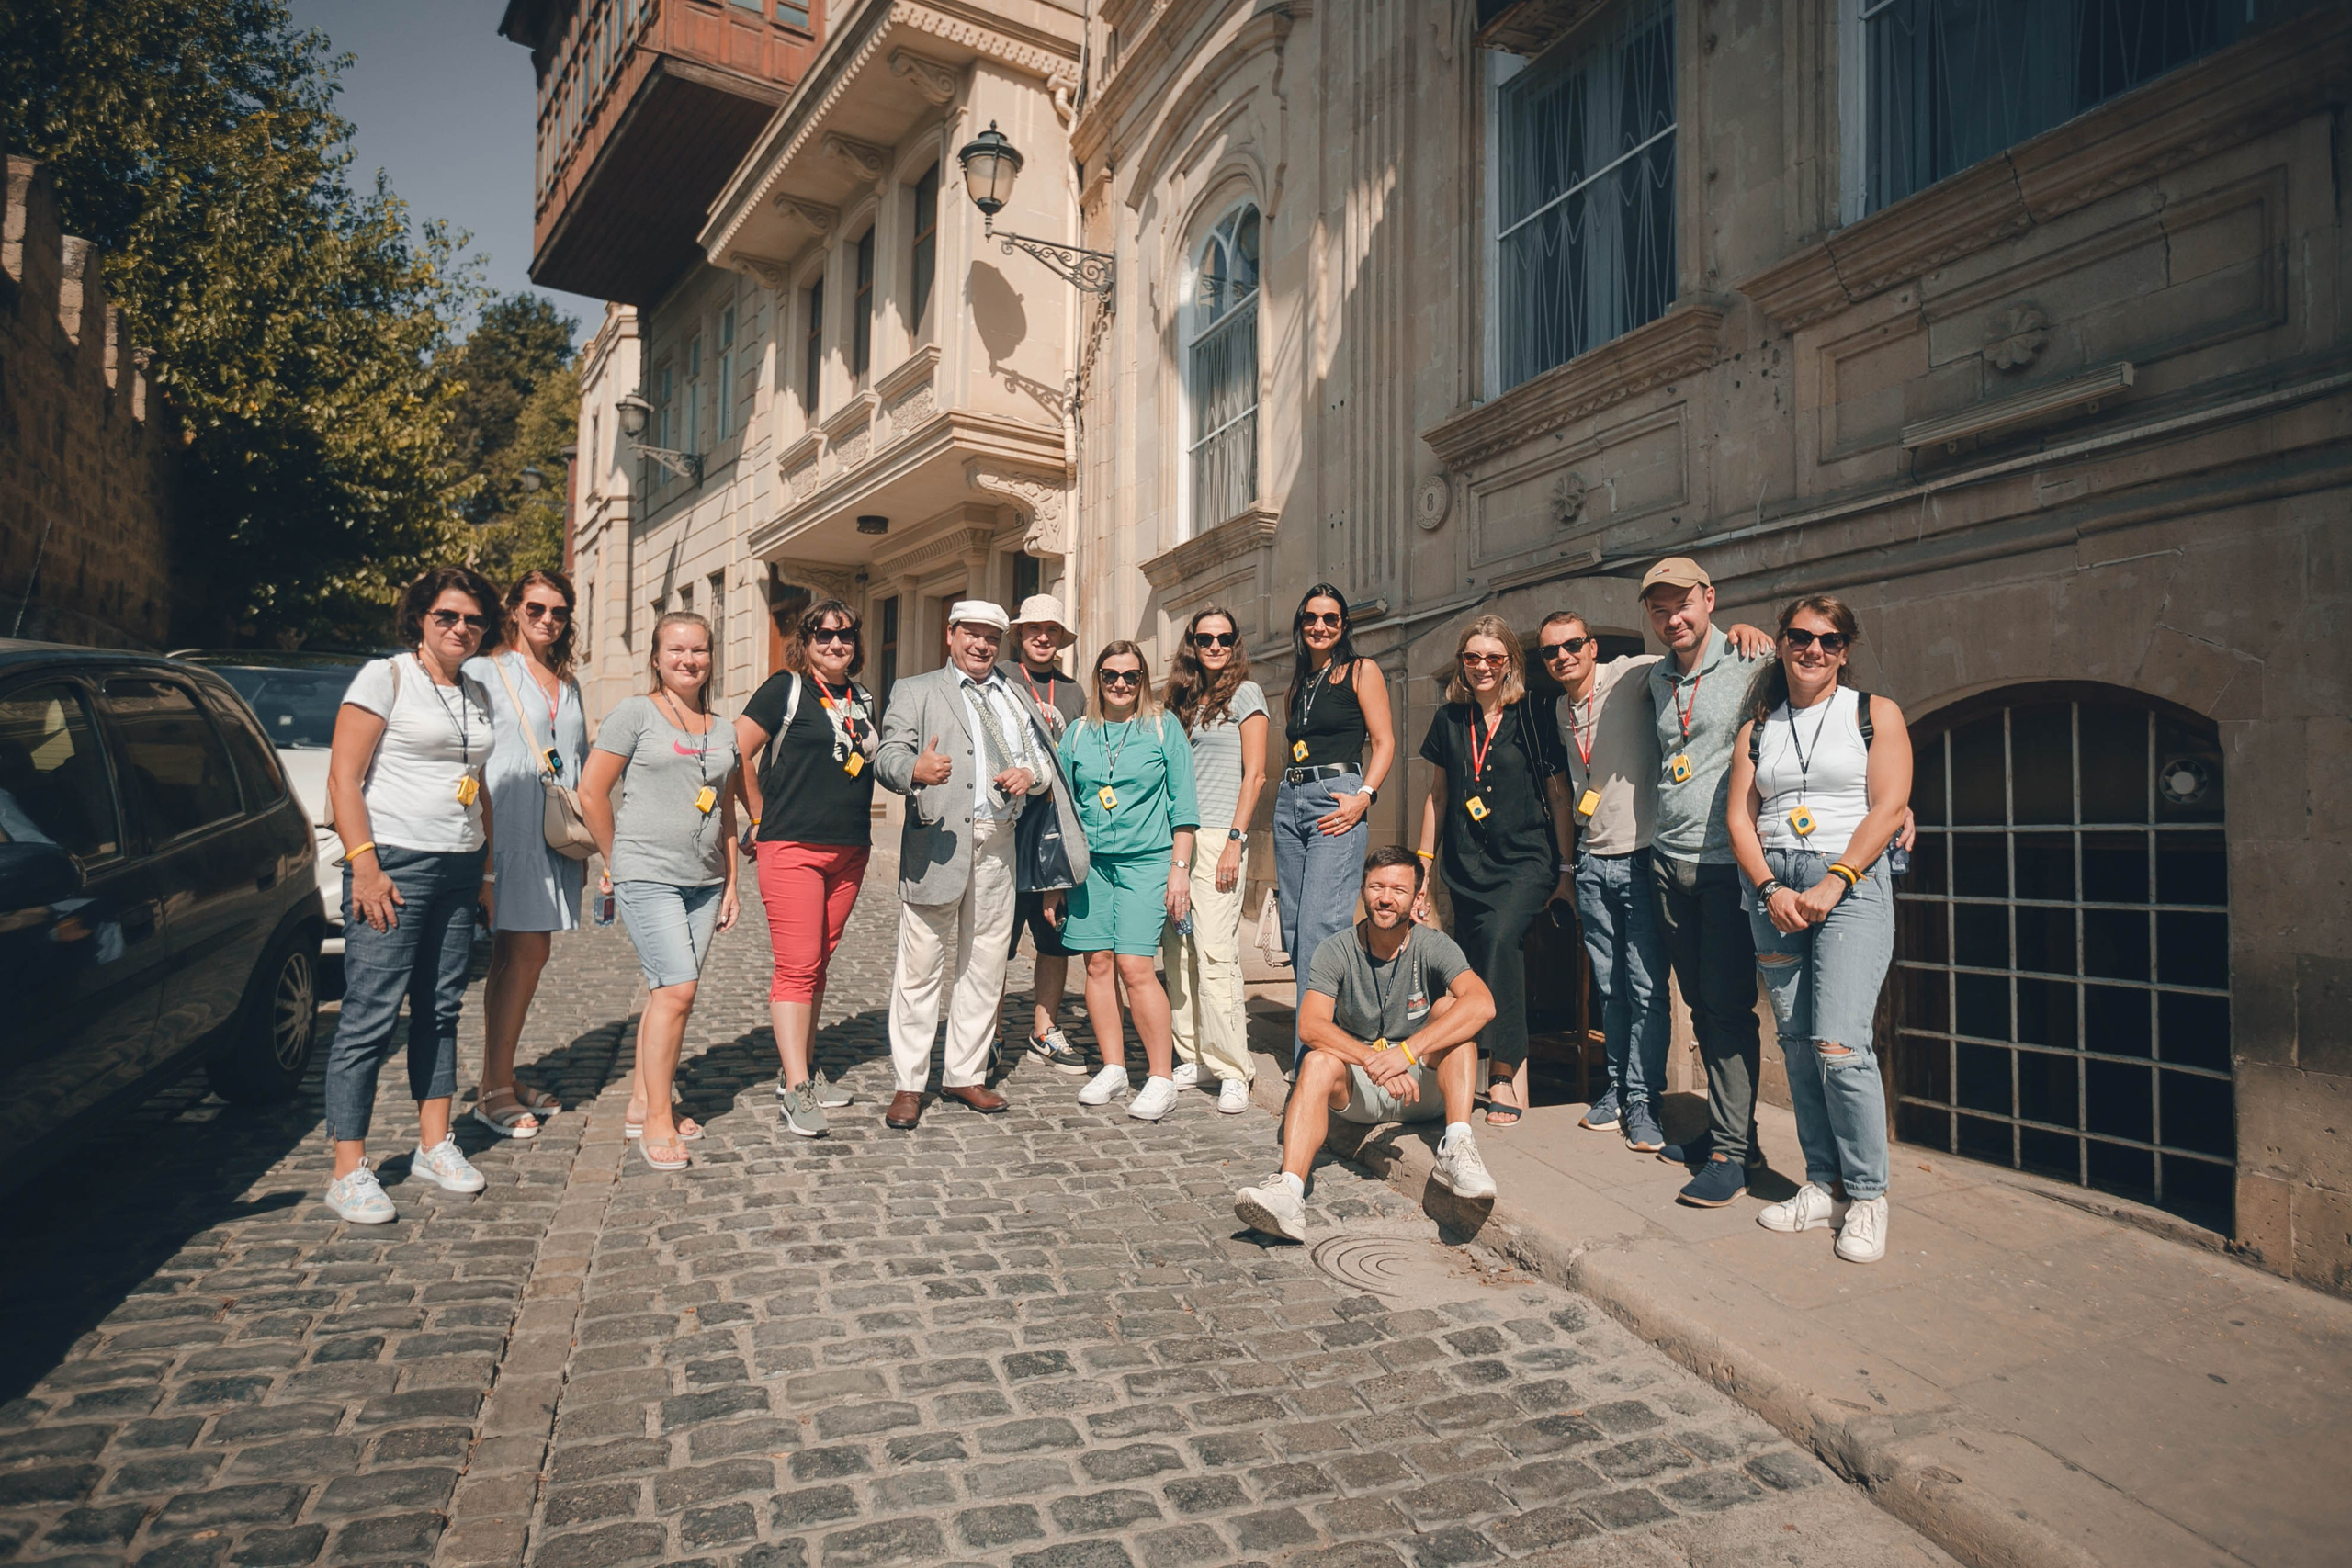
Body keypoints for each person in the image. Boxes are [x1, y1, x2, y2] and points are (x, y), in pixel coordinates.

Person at [1541, 608, 1774, 1153]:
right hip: (1595, 863)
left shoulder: (1635, 672)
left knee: (1647, 989)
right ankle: (1619, 1088)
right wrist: (1571, 867)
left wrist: (1741, 630)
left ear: (1592, 646)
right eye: (1551, 651)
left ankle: (1646, 1100)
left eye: (1572, 645)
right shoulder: (1558, 707)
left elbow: (1692, 649)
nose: (1562, 657)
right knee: (1610, 988)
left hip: (1645, 856)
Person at [1728, 596, 1912, 1263]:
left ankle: (1867, 1195)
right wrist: (1769, 887)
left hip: (1850, 879)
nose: (1814, 650)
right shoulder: (1759, 728)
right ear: (1781, 642)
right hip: (1773, 883)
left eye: (1829, 641)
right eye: (1802, 637)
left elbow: (1890, 804)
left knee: (1841, 1044)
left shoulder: (1874, 714)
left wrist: (1835, 879)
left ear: (1844, 650)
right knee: (1800, 1044)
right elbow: (1740, 817)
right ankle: (1822, 1182)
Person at [320, 566, 503, 1223]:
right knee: (370, 1012)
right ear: (421, 619)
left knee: (440, 1007)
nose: (461, 628)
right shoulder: (386, 675)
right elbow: (344, 777)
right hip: (393, 862)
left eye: (474, 619)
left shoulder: (475, 689)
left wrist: (484, 870)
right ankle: (348, 1167)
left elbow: (473, 779)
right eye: (447, 616)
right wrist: (364, 866)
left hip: (458, 867)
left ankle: (434, 1143)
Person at [1234, 847, 1498, 1242]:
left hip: (1422, 1087)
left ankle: (1456, 1148)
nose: (1386, 898)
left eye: (1398, 889)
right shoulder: (1335, 950)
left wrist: (1405, 1054)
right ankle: (1289, 1191)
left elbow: (1483, 1005)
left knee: (1452, 1012)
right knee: (1318, 1061)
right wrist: (1374, 1060)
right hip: (1361, 1087)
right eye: (1376, 887)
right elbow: (1310, 1026)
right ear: (1362, 892)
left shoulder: (1434, 945)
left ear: (1417, 899)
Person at [873, 600, 1061, 1131]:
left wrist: (1032, 775)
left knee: (984, 964)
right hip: (939, 844)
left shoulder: (1014, 693)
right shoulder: (915, 690)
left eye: (990, 638)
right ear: (950, 634)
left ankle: (965, 1073)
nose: (981, 646)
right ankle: (909, 1084)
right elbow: (887, 756)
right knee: (920, 969)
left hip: (999, 844)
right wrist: (915, 767)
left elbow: (1043, 759)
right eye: (972, 635)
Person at [579, 611, 741, 1172]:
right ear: (656, 657)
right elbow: (592, 792)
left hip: (704, 879)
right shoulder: (635, 713)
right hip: (646, 872)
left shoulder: (723, 729)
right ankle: (656, 1121)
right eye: (676, 650)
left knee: (666, 994)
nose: (688, 660)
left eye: (699, 650)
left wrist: (731, 884)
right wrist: (615, 859)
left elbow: (724, 810)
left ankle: (643, 1099)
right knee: (678, 990)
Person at [1639, 557, 1779, 1207]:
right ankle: (1733, 1132)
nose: (1674, 618)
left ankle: (1731, 1155)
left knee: (1726, 1009)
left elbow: (1815, 724)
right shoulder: (1657, 679)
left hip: (1728, 866)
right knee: (1700, 1004)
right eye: (1660, 609)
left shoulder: (1755, 663)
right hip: (1669, 864)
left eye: (1683, 604)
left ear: (1710, 598)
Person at [1413, 615, 1573, 1128]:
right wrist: (1423, 867)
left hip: (1526, 859)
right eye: (1473, 658)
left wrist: (1566, 869)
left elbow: (1558, 793)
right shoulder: (1450, 720)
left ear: (1510, 663)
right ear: (1463, 663)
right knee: (1469, 958)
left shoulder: (1534, 713)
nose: (1483, 666)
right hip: (1466, 862)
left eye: (1494, 658)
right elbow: (1437, 796)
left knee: (1501, 942)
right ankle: (1465, 1062)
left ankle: (1504, 1069)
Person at [735, 598, 876, 1138]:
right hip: (792, 846)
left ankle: (806, 1069)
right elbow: (737, 750)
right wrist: (756, 813)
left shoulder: (860, 698)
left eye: (844, 636)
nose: (835, 644)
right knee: (796, 965)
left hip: (849, 850)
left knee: (818, 961)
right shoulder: (785, 688)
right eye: (823, 635)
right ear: (807, 640)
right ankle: (795, 1087)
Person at [1047, 642, 1199, 1121]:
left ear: (1143, 680)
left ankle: (1160, 1076)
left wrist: (1179, 871)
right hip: (1090, 866)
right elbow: (1062, 812)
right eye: (1110, 675)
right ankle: (1113, 1066)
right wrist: (1056, 880)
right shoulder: (1076, 734)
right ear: (1097, 678)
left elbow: (1184, 806)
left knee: (1135, 966)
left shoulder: (1162, 726)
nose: (1120, 684)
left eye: (1131, 677)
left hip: (1147, 862)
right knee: (1097, 964)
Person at [468, 569, 588, 1139]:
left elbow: (578, 758)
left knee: (516, 956)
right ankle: (492, 1090)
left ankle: (501, 1077)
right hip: (505, 828)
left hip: (553, 832)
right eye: (536, 609)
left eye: (558, 612)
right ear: (514, 609)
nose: (547, 620)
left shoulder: (568, 682)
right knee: (525, 952)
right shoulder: (484, 671)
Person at [1272, 584, 1395, 1066]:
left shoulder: (1362, 671)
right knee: (1295, 928)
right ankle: (1328, 1035)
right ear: (1300, 624)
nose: (1320, 626)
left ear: (1344, 626)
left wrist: (1363, 797)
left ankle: (1314, 1057)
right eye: (1311, 618)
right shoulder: (1298, 684)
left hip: (1335, 798)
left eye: (1331, 618)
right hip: (1290, 798)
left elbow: (1384, 742)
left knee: (1322, 927)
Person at [1161, 606, 1268, 1114]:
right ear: (1192, 644)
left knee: (1215, 951)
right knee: (1178, 950)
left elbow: (1255, 775)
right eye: (1206, 639)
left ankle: (1231, 1066)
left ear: (1235, 642)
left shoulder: (1245, 694)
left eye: (1225, 638)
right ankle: (1193, 1053)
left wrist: (1234, 838)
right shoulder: (1181, 699)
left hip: (1220, 835)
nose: (1216, 647)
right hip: (1175, 837)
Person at [998, 593, 1090, 1075]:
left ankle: (1044, 1028)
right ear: (1018, 635)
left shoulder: (1074, 692)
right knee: (996, 940)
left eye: (1051, 630)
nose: (1041, 636)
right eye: (1033, 628)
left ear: (1059, 640)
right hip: (1007, 828)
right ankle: (988, 1035)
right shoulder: (998, 680)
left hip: (1055, 831)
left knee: (1054, 939)